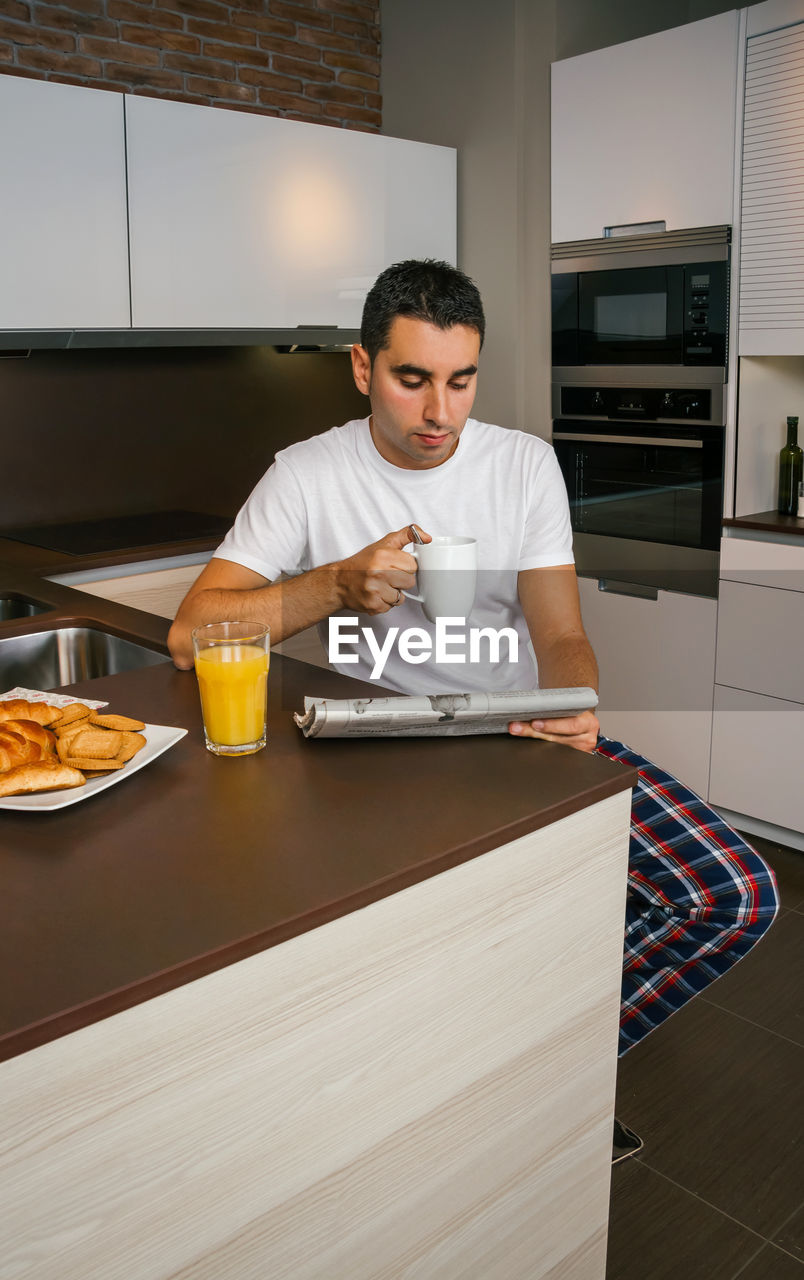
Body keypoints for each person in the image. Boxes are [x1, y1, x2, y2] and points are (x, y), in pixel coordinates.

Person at [169, 260, 779, 1156]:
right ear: (361, 367)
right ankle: (473, 1089)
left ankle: (538, 1067)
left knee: (732, 894)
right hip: (366, 758)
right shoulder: (306, 475)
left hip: (515, 736)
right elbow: (192, 634)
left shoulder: (523, 465)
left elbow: (561, 633)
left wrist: (577, 702)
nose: (439, 413)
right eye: (412, 379)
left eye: (461, 381)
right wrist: (337, 582)